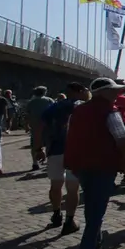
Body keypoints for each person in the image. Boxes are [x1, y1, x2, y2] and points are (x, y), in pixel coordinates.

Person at [65, 78, 125, 249]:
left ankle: (95, 242)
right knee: (96, 212)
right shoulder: (110, 112)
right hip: (102, 165)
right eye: (112, 91)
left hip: (80, 165)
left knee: (91, 205)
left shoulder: (78, 111)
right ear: (103, 93)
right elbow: (122, 140)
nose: (116, 94)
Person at [37, 82, 88, 234]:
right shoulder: (83, 107)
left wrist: (38, 147)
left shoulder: (55, 106)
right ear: (79, 92)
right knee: (72, 188)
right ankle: (69, 220)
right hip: (75, 151)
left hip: (55, 149)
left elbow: (40, 126)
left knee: (55, 184)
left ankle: (56, 213)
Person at [26, 86, 55, 171]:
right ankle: (49, 162)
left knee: (34, 145)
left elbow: (27, 115)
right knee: (49, 144)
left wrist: (26, 125)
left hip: (35, 126)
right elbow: (54, 112)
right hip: (47, 125)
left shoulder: (31, 102)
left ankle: (35, 163)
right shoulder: (49, 100)